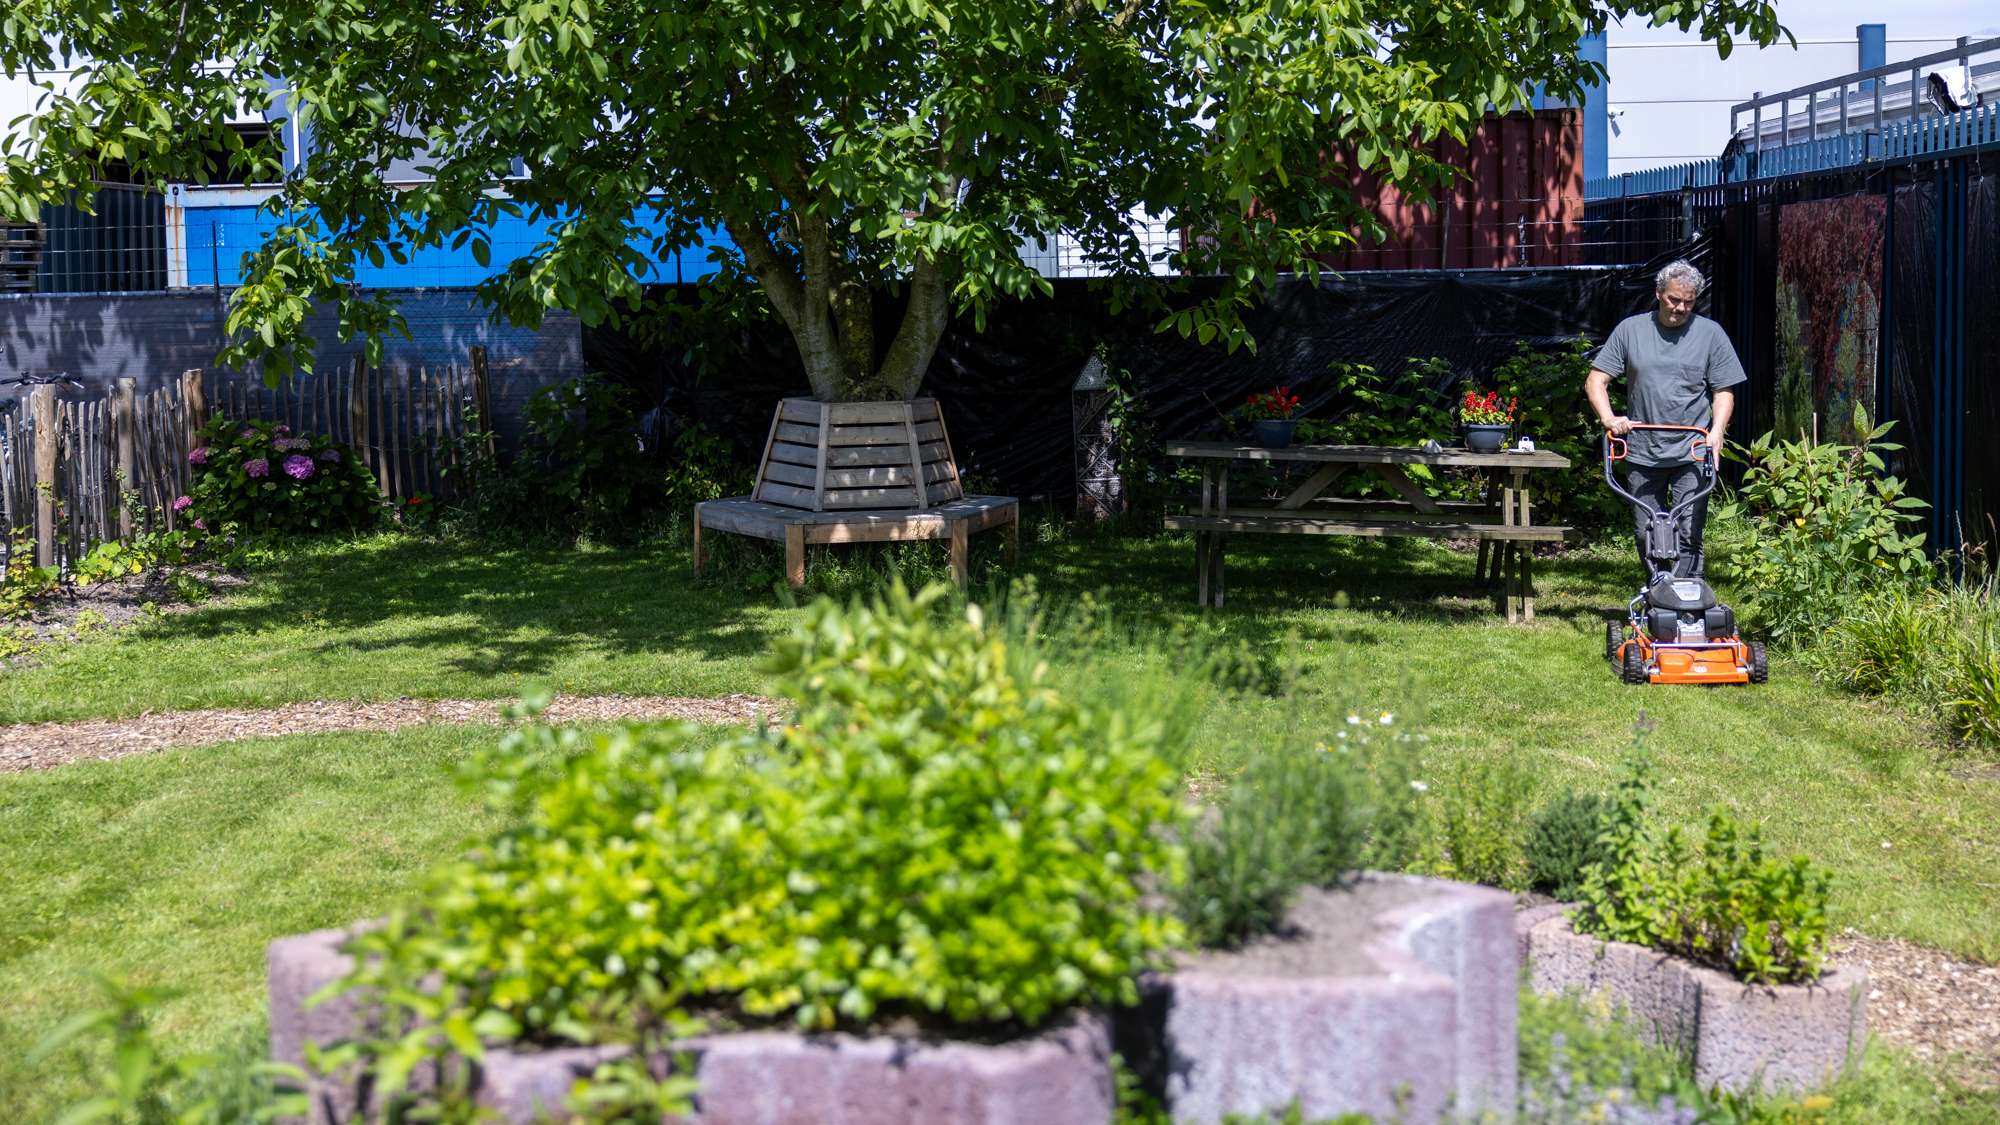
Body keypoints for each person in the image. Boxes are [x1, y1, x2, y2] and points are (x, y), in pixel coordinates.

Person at [1585, 260, 1746, 579]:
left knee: (1688, 529)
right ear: (1658, 294)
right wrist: (1609, 418)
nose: (1680, 307)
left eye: (1688, 302)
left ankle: (1689, 597)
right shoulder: (1631, 330)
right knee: (1648, 531)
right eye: (1674, 299)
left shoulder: (1710, 334)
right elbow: (1596, 381)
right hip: (1644, 450)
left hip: (1693, 449)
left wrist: (1716, 433)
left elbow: (1724, 391)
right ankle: (1659, 590)